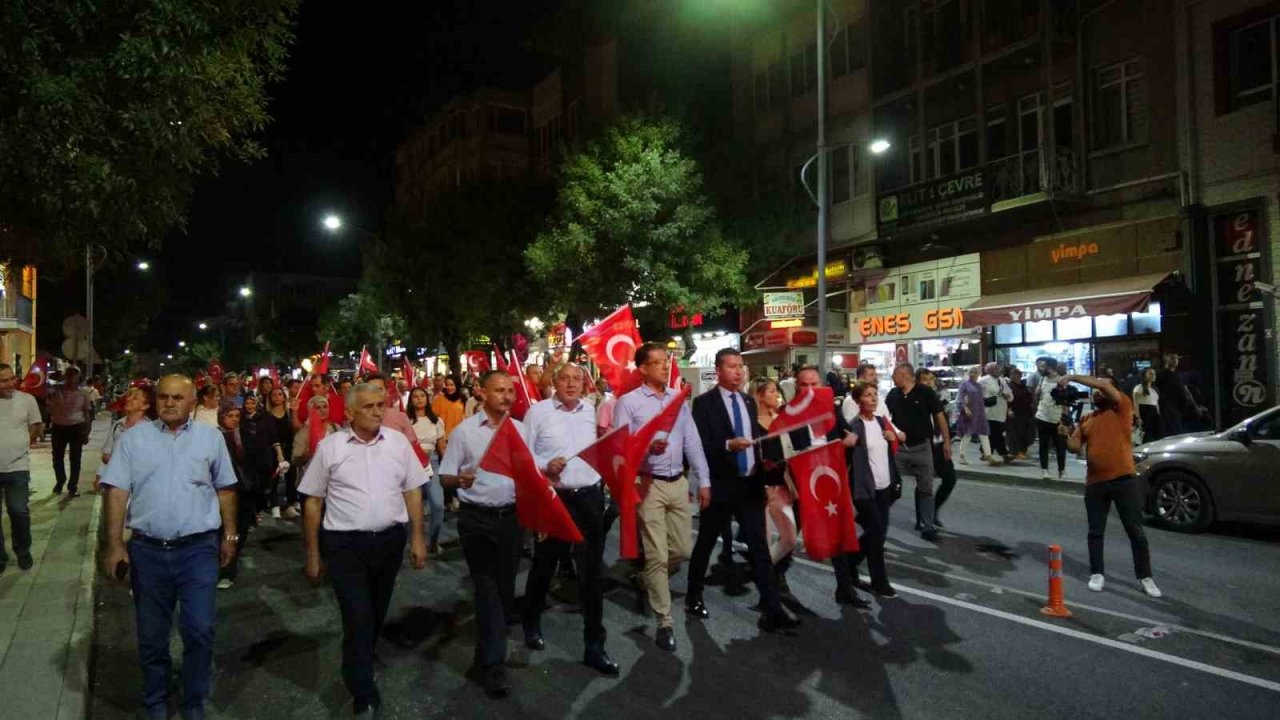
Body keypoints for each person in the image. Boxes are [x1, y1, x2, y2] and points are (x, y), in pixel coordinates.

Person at [99, 374, 240, 720]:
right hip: (148, 552)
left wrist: (230, 535)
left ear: (193, 401)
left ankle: (193, 701)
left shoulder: (211, 439)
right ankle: (155, 701)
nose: (170, 403)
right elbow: (116, 491)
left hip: (198, 551)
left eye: (178, 397)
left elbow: (225, 488)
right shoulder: (134, 440)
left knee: (200, 630)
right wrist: (114, 545)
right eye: (163, 397)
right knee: (151, 637)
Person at [299, 382, 429, 716]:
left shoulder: (398, 443)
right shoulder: (331, 447)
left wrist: (417, 537)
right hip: (345, 546)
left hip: (388, 542)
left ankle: (360, 654)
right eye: (369, 406)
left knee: (376, 611)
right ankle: (362, 687)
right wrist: (313, 553)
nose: (376, 412)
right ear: (351, 412)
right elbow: (313, 501)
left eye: (380, 405)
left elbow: (413, 490)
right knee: (358, 616)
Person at [688, 349, 799, 633]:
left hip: (750, 484)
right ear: (719, 370)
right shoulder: (704, 404)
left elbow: (756, 440)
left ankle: (772, 608)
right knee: (706, 542)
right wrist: (728, 446)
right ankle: (693, 594)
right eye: (732, 366)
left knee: (759, 547)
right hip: (722, 485)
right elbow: (700, 445)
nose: (738, 371)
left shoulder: (748, 401)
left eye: (741, 366)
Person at [521, 363, 620, 676]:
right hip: (554, 499)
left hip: (589, 497)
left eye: (578, 379)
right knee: (545, 565)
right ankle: (531, 619)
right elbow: (523, 455)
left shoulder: (591, 409)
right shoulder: (538, 413)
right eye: (565, 378)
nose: (572, 384)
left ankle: (594, 644)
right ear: (555, 382)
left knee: (590, 573)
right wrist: (544, 465)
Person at [611, 342, 710, 653]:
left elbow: (692, 441)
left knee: (680, 549)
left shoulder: (677, 401)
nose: (665, 367)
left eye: (666, 361)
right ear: (642, 369)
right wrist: (643, 451)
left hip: (677, 484)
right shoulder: (627, 403)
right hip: (648, 484)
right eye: (657, 363)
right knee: (656, 555)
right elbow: (620, 450)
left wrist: (703, 480)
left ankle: (648, 579)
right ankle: (664, 621)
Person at [438, 370, 525, 697]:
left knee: (503, 589)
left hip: (512, 519)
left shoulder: (521, 431)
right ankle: (493, 664)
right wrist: (458, 480)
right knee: (487, 586)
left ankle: (486, 649)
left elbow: (531, 475)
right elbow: (444, 475)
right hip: (476, 520)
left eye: (511, 391)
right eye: (500, 390)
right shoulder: (464, 432)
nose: (507, 396)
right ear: (482, 394)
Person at [1060, 374, 1162, 598]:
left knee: (1135, 530)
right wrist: (1066, 434)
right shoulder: (1087, 419)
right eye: (1095, 389)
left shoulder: (1122, 406)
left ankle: (1145, 577)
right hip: (1096, 483)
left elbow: (1104, 385)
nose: (1097, 391)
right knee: (1095, 531)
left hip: (1123, 480)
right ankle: (1097, 573)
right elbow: (1075, 447)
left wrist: (1071, 377)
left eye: (1101, 387)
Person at [786, 366, 868, 607]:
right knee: (790, 537)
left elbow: (846, 432)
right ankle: (774, 581)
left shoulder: (830, 408)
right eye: (804, 385)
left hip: (827, 481)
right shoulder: (788, 414)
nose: (810, 390)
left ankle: (844, 589)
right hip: (802, 483)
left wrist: (850, 439)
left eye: (814, 384)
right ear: (797, 387)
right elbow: (786, 450)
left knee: (837, 535)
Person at [845, 381, 902, 598]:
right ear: (859, 400)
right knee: (876, 534)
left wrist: (893, 437)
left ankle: (850, 563)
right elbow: (847, 461)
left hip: (884, 487)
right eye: (868, 395)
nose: (873, 398)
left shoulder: (881, 422)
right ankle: (880, 582)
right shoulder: (854, 426)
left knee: (877, 534)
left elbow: (898, 441)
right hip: (864, 489)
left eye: (875, 394)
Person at [885, 363, 950, 542]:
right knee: (889, 486)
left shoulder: (925, 392)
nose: (892, 378)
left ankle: (927, 525)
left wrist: (946, 442)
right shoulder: (893, 395)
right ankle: (876, 517)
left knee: (925, 488)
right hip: (899, 449)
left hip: (922, 447)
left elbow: (939, 416)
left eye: (895, 375)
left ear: (905, 375)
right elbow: (885, 418)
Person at [0, 363, 43, 574]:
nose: (10, 383)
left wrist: (25, 442)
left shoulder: (27, 400)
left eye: (11, 378)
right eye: (3, 380)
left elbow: (36, 425)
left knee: (18, 511)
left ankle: (23, 550)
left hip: (17, 466)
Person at [754, 377, 796, 593]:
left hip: (781, 486)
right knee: (764, 538)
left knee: (789, 537)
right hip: (759, 488)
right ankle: (767, 588)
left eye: (777, 391)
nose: (776, 395)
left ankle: (764, 571)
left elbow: (789, 449)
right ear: (759, 395)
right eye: (771, 391)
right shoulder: (751, 422)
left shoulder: (781, 419)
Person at [215, 402, 257, 590]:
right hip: (223, 490)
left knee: (241, 527)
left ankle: (229, 563)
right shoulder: (214, 437)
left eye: (236, 416)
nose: (234, 419)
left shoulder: (246, 435)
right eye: (229, 416)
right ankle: (224, 569)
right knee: (224, 529)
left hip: (245, 489)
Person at [916, 369, 959, 529]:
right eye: (924, 379)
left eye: (930, 379)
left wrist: (948, 441)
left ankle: (932, 510)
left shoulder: (938, 398)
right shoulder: (916, 400)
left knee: (950, 479)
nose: (928, 382)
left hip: (939, 444)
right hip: (924, 446)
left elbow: (943, 421)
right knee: (924, 483)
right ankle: (922, 518)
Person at [407, 387, 446, 553]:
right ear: (411, 400)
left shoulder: (437, 421)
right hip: (411, 465)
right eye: (415, 396)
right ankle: (415, 543)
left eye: (422, 395)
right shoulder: (406, 420)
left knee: (438, 505)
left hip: (433, 463)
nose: (419, 399)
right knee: (412, 509)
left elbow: (442, 447)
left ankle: (434, 541)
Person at [96, 385, 158, 491]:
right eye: (129, 396)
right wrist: (100, 475)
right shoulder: (118, 425)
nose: (128, 399)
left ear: (145, 405)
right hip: (114, 484)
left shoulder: (150, 431)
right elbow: (106, 456)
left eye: (135, 398)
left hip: (137, 487)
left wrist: (120, 463)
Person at [47, 365, 92, 496]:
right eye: (69, 375)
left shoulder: (83, 393)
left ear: (79, 377)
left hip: (76, 427)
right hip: (58, 427)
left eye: (75, 375)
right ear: (65, 376)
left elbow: (87, 413)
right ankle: (60, 480)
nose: (72, 378)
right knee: (57, 457)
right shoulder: (56, 391)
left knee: (75, 458)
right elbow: (48, 406)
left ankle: (73, 485)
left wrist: (87, 431)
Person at [264, 387, 300, 519]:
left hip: (289, 448)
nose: (277, 397)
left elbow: (295, 431)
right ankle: (274, 506)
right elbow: (271, 435)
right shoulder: (267, 415)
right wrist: (278, 452)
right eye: (274, 395)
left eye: (280, 394)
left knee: (291, 477)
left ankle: (291, 503)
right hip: (273, 450)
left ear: (284, 397)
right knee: (274, 478)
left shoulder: (289, 413)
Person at [1154, 353, 1205, 438]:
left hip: (1181, 408)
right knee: (1173, 432)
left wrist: (1195, 407)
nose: (1175, 360)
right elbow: (1155, 390)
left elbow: (1186, 391)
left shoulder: (1179, 375)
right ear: (1166, 360)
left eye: (1176, 358)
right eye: (1172, 358)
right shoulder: (1160, 374)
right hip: (1168, 409)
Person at [1034, 359, 1069, 480]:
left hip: (1057, 417)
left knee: (1060, 445)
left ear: (1050, 367)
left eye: (1043, 366)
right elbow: (1039, 393)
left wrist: (1064, 418)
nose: (1040, 369)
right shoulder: (1042, 379)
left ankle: (1061, 470)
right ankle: (1045, 470)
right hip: (1042, 416)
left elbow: (1066, 401)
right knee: (1043, 444)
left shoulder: (1062, 380)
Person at [292, 395, 339, 479]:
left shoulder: (335, 428)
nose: (322, 410)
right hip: (309, 480)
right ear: (311, 411)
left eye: (325, 406)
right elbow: (295, 461)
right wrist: (304, 457)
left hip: (332, 479)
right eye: (318, 407)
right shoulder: (304, 432)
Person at [955, 366, 994, 465]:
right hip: (969, 414)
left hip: (979, 413)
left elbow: (981, 400)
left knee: (984, 434)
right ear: (968, 373)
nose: (973, 374)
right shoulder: (964, 384)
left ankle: (988, 456)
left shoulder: (979, 385)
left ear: (979, 374)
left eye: (975, 372)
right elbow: (959, 399)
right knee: (967, 435)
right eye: (971, 372)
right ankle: (962, 457)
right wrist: (966, 408)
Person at [979, 362, 1013, 462]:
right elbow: (991, 392)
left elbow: (1010, 394)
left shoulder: (1002, 380)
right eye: (996, 368)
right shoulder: (983, 381)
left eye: (999, 368)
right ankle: (1003, 454)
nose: (998, 370)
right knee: (996, 433)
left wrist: (1008, 396)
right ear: (989, 370)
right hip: (990, 412)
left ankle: (986, 452)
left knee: (994, 434)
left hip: (1001, 411)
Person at [1005, 367, 1035, 459]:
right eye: (1012, 375)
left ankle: (1023, 450)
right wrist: (1009, 409)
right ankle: (1014, 451)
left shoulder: (1023, 386)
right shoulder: (1008, 386)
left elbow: (1029, 397)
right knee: (1014, 433)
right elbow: (1007, 399)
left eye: (1017, 375)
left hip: (1026, 412)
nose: (1015, 376)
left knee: (1026, 432)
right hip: (1014, 412)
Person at [1133, 368, 1162, 444]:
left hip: (1154, 414)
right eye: (1150, 374)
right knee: (1147, 436)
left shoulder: (1154, 390)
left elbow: (1156, 404)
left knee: (1156, 436)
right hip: (1145, 413)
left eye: (1154, 374)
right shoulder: (1139, 387)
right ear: (1144, 376)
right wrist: (1138, 417)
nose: (1153, 376)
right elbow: (1135, 403)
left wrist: (1158, 415)